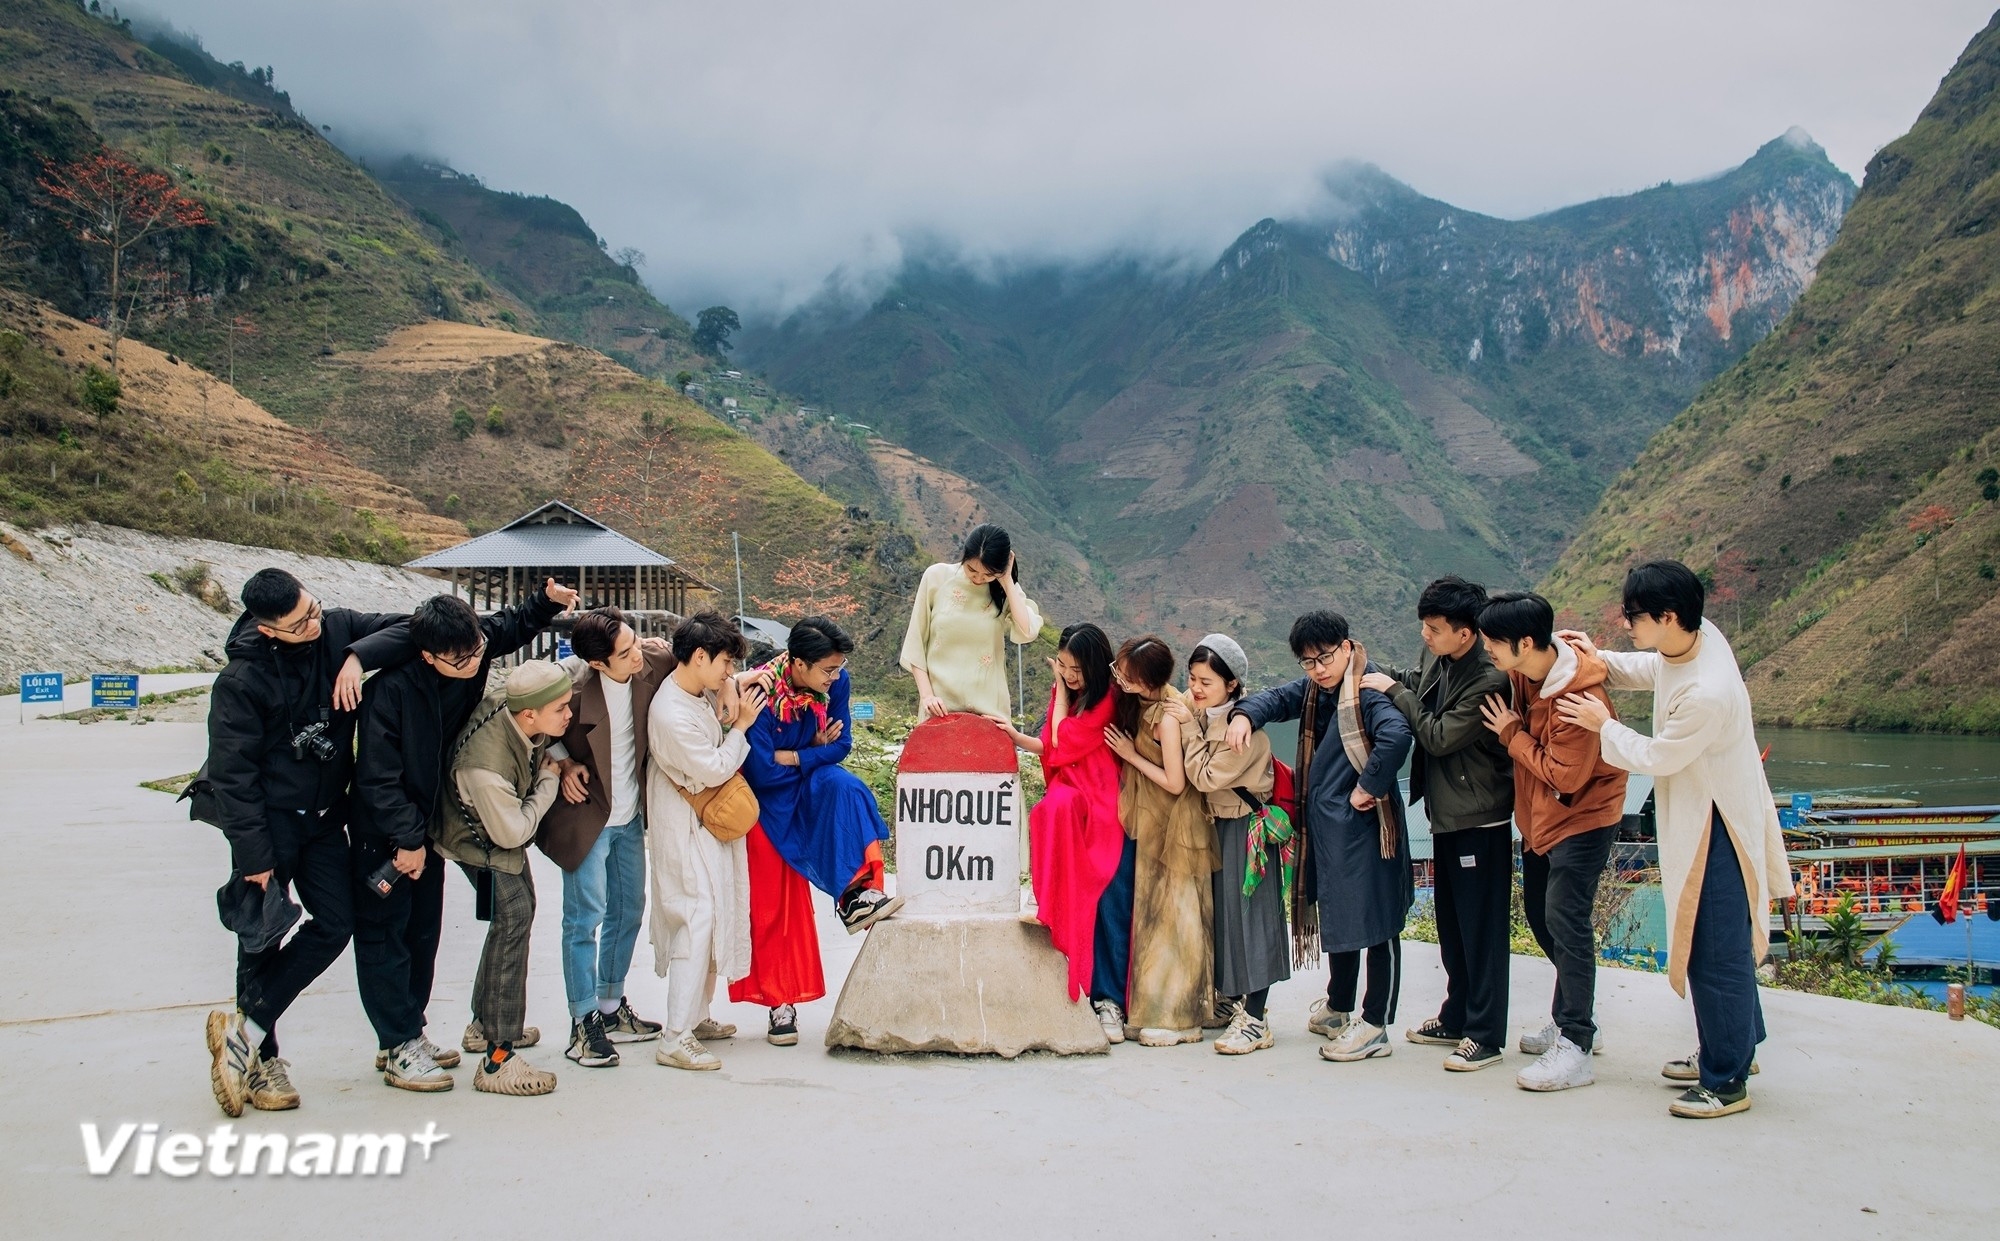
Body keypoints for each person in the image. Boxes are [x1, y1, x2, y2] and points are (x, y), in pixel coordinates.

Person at [1555, 561, 1792, 1119]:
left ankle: (1726, 1080)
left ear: (1667, 616)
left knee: (1713, 949)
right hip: (1717, 806)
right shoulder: (1700, 638)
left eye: (1633, 616)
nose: (1626, 624)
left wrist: (1602, 724)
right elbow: (1655, 667)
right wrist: (1601, 661)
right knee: (1722, 942)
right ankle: (1736, 1045)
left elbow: (1658, 756)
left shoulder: (1707, 693)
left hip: (1715, 823)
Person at [200, 569, 413, 1117]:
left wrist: (358, 656)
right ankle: (261, 1062)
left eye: (313, 609)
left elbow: (410, 626)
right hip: (269, 825)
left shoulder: (336, 629)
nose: (314, 626)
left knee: (337, 924)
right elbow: (232, 776)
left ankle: (243, 1030)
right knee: (261, 938)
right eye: (299, 625)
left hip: (323, 821)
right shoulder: (241, 681)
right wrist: (254, 856)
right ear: (268, 630)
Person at [349, 581, 576, 1092]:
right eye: (461, 660)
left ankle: (417, 1032)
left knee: (423, 934)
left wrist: (546, 602)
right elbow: (377, 779)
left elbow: (509, 626)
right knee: (387, 937)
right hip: (387, 831)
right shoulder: (389, 693)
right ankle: (398, 1044)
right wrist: (407, 840)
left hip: (430, 822)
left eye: (478, 651)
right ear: (428, 656)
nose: (475, 663)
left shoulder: (471, 647)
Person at [1229, 610, 1413, 1064]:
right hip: (1331, 833)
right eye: (1309, 662)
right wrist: (1244, 715)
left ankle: (1375, 1026)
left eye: (1325, 657)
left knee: (1380, 924)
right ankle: (1339, 1006)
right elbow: (1275, 699)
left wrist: (1368, 787)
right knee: (1340, 915)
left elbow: (1397, 736)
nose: (1318, 669)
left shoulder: (1367, 690)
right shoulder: (1318, 690)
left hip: (1369, 830)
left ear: (1346, 647)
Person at [1474, 591, 1629, 1092]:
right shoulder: (1530, 670)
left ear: (1524, 643)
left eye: (1493, 643)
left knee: (1567, 920)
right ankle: (1574, 1018)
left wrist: (1512, 733)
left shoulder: (1578, 701)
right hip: (1542, 817)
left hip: (1582, 818)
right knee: (1542, 917)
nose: (1487, 651)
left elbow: (1565, 775)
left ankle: (1577, 1043)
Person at [1360, 576, 1515, 1073]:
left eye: (1434, 628)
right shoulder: (1441, 657)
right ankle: (1456, 1016)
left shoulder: (1489, 678)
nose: (1425, 636)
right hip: (1447, 814)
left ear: (1465, 633)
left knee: (1481, 930)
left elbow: (1439, 735)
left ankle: (1485, 1035)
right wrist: (1367, 668)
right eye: (1424, 626)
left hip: (1479, 819)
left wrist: (1393, 691)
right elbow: (1413, 680)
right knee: (1452, 924)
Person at [735, 615, 899, 1046]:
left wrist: (797, 756)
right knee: (776, 905)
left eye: (839, 668)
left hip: (807, 781)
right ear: (798, 663)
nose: (835, 677)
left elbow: (842, 746)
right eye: (827, 670)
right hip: (766, 804)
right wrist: (812, 749)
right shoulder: (760, 694)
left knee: (848, 789)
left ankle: (856, 896)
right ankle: (780, 1003)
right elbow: (761, 771)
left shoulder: (834, 682)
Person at [539, 608, 675, 1070]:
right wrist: (562, 761)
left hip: (631, 816)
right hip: (589, 816)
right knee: (584, 919)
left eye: (635, 642)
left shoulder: (652, 660)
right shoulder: (573, 689)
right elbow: (525, 715)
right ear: (597, 663)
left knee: (628, 910)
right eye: (624, 653)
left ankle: (611, 1007)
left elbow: (702, 660)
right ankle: (582, 1023)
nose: (637, 655)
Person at [431, 661, 575, 1096]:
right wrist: (549, 780)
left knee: (519, 911)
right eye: (561, 709)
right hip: (477, 837)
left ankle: (484, 1026)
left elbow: (569, 670)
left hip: (494, 826)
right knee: (513, 916)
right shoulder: (487, 768)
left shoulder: (514, 702)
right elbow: (512, 832)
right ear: (530, 714)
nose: (569, 715)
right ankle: (498, 1058)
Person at [991, 623, 1129, 1041]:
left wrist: (1062, 697)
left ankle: (1110, 1000)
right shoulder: (1068, 693)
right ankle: (1047, 895)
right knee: (1047, 810)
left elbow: (1064, 739)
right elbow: (1051, 745)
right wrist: (1016, 737)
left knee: (1105, 899)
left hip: (1101, 802)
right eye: (1063, 667)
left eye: (1076, 669)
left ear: (1095, 666)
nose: (1068, 676)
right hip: (1073, 795)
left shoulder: (1108, 698)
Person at [647, 611, 770, 1071]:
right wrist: (741, 727)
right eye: (725, 663)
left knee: (710, 915)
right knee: (695, 919)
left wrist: (729, 690)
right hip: (684, 827)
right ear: (699, 656)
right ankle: (675, 1036)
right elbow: (716, 769)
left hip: (700, 822)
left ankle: (695, 1017)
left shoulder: (692, 691)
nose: (729, 673)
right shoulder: (671, 714)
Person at [1103, 636, 1214, 1047]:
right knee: (1153, 916)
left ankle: (1179, 1016)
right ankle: (1152, 1007)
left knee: (1176, 917)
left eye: (1127, 675)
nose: (1120, 679)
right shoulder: (1146, 703)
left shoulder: (1167, 716)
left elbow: (1174, 782)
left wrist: (1130, 754)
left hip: (1175, 822)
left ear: (1148, 680)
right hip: (1153, 820)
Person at [1182, 634, 1289, 1056]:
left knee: (1251, 921)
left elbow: (1205, 777)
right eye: (1192, 678)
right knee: (1226, 919)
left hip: (1247, 829)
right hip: (1221, 826)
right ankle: (1232, 1002)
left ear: (1231, 685)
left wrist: (1186, 729)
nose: (1196, 688)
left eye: (1206, 682)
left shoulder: (1243, 732)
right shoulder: (1206, 713)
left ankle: (1257, 1019)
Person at [900, 523, 1043, 720]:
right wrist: (927, 696)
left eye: (988, 574)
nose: (978, 578)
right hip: (939, 708)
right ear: (964, 555)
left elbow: (1028, 631)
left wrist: (1007, 581)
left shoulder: (1004, 592)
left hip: (989, 712)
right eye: (972, 569)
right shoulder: (937, 577)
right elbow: (915, 641)